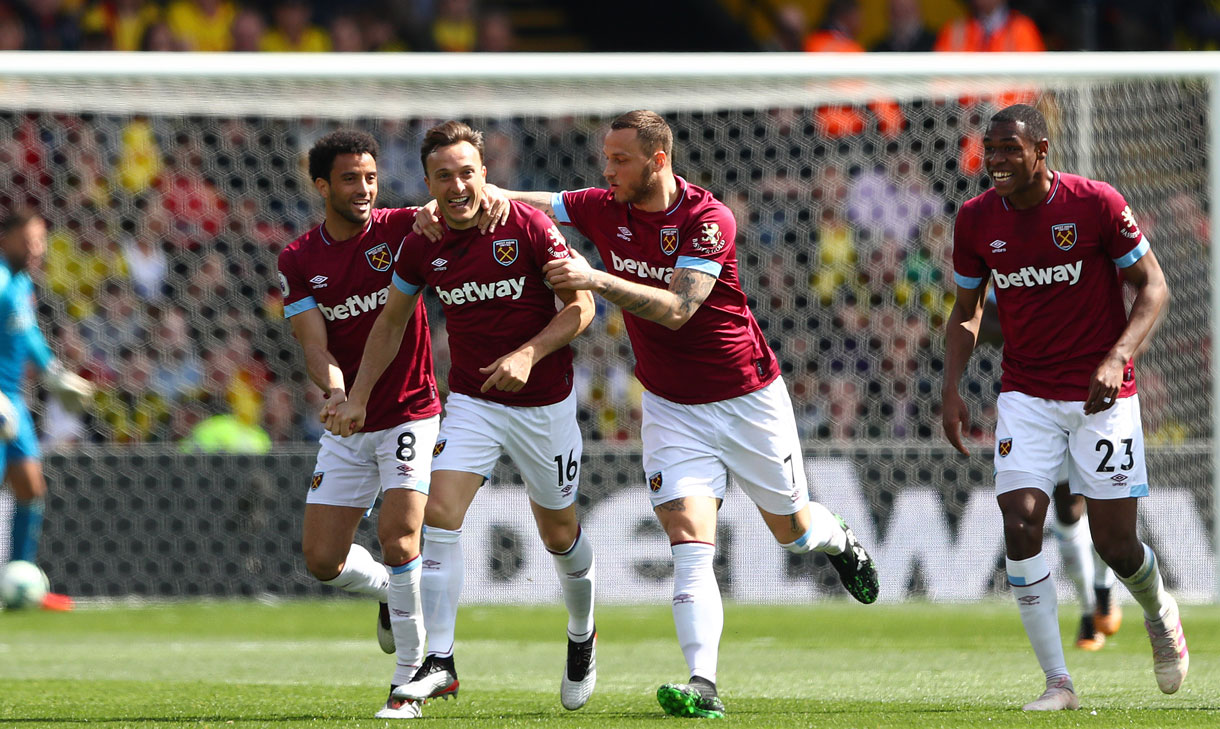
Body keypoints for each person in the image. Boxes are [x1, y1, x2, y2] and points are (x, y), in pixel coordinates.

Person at [468, 110, 879, 720]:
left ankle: (839, 538)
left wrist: (595, 279)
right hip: (670, 405)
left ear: (658, 160)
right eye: (604, 158)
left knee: (791, 534)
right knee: (689, 541)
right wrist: (478, 194)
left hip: (746, 398)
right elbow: (534, 202)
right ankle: (702, 683)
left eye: (620, 160)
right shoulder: (605, 205)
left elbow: (681, 308)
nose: (607, 171)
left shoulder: (707, 219)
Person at [328, 121, 599, 712]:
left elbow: (583, 306)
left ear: (485, 173)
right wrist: (357, 394)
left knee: (559, 534)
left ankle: (582, 634)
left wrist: (529, 354)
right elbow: (392, 321)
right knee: (441, 515)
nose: (457, 185)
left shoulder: (525, 225)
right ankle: (440, 662)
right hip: (475, 401)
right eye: (443, 176)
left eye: (467, 172)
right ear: (427, 183)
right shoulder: (421, 240)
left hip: (544, 403)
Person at [941, 104, 1185, 711]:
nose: (994, 161)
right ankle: (1058, 683)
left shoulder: (1095, 204)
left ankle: (1159, 611)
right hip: (1025, 394)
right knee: (1021, 524)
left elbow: (1154, 287)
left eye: (1008, 150)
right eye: (989, 150)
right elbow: (968, 311)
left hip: (1103, 395)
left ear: (1041, 151)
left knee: (1116, 546)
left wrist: (1117, 356)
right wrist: (951, 386)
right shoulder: (975, 221)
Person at [278, 130, 505, 719]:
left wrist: (482, 201)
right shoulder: (299, 259)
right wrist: (335, 393)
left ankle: (408, 684)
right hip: (349, 419)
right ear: (322, 185)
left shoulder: (405, 226)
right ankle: (384, 589)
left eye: (372, 178)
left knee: (402, 537)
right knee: (322, 561)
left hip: (410, 410)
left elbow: (451, 204)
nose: (364, 189)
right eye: (350, 179)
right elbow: (313, 342)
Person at [976, 294, 1121, 651]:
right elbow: (980, 323)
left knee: (1107, 504)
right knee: (1068, 511)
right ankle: (1090, 611)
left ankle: (1104, 587)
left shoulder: (1084, 256)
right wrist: (1027, 329)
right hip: (1039, 404)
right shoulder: (1009, 258)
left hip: (1094, 400)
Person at [0, 208, 95, 611]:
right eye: (29, 240)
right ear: (5, 239)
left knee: (30, 488)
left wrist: (54, 374)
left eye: (40, 240)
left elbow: (29, 333)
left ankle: (22, 583)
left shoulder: (20, 284)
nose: (37, 248)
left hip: (13, 402)